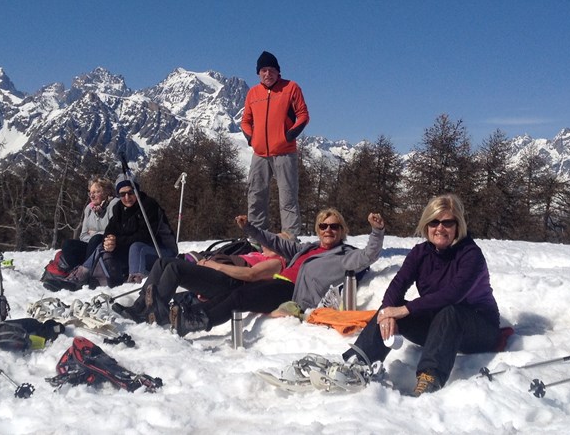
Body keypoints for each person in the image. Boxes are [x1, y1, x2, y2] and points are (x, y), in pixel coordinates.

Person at [342, 193, 501, 397]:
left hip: (479, 328)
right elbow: (398, 285)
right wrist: (389, 312)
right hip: (440, 328)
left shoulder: (471, 255)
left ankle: (429, 377)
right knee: (389, 308)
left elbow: (452, 295)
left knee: (450, 311)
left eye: (447, 223)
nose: (440, 228)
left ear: (458, 226)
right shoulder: (420, 253)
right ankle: (358, 362)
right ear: (426, 225)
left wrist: (404, 309)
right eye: (434, 222)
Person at [164, 208, 385, 337]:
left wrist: (377, 231)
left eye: (334, 227)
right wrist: (250, 229)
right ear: (318, 230)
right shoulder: (307, 248)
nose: (328, 230)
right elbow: (275, 242)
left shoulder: (345, 255)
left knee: (240, 298)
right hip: (278, 283)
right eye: (323, 226)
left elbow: (369, 255)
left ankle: (197, 322)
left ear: (342, 231)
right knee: (229, 295)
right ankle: (192, 317)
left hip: (292, 293)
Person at [113, 233, 289, 324]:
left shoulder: (277, 261)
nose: (268, 243)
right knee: (162, 262)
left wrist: (214, 265)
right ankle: (139, 307)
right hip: (220, 275)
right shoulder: (257, 253)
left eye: (274, 242)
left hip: (230, 283)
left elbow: (251, 275)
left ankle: (155, 312)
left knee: (175, 269)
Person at [241, 51, 310, 239]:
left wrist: (289, 136)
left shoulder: (291, 87)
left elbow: (303, 115)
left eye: (271, 70)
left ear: (278, 72)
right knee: (255, 196)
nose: (267, 74)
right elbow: (245, 120)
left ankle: (290, 238)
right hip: (260, 154)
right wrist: (252, 139)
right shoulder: (253, 93)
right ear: (258, 73)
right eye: (263, 70)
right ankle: (256, 238)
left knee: (287, 197)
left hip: (285, 153)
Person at [101, 174, 178, 284]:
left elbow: (145, 236)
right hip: (134, 253)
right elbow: (110, 230)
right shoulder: (118, 208)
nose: (127, 197)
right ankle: (85, 273)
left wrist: (117, 241)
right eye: (122, 194)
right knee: (102, 245)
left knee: (137, 247)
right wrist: (109, 240)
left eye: (131, 192)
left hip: (162, 250)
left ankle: (135, 280)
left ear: (137, 191)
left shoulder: (148, 205)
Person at [60, 177, 117, 268]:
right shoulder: (89, 209)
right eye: (90, 193)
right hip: (90, 246)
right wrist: (93, 238)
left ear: (106, 192)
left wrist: (95, 234)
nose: (92, 196)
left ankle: (87, 271)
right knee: (68, 244)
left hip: (108, 247)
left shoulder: (114, 205)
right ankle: (76, 271)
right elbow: (83, 235)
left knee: (97, 238)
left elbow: (113, 231)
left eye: (96, 192)